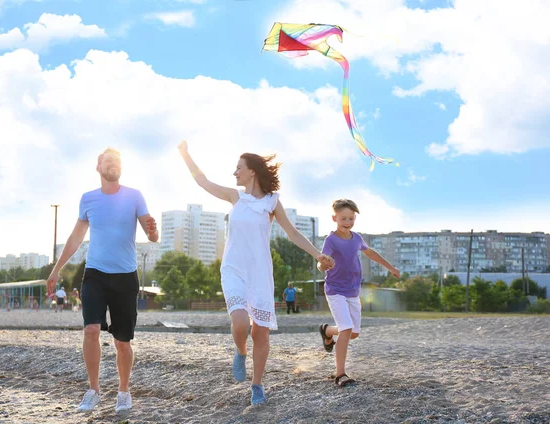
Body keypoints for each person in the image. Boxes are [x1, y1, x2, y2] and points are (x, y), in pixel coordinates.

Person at [178, 140, 334, 405]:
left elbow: (292, 233)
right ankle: (240, 352)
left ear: (252, 171)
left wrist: (317, 254)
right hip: (233, 268)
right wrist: (185, 154)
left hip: (260, 273)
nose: (235, 172)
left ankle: (257, 384)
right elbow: (202, 181)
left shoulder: (272, 202)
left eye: (238, 168)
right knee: (239, 322)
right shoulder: (234, 196)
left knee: (260, 332)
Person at [46, 147, 159, 413]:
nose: (113, 165)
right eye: (108, 161)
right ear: (99, 167)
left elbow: (151, 235)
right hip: (95, 274)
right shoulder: (88, 199)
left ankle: (123, 392)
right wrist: (56, 269)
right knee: (91, 330)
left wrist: (153, 231)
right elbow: (75, 238)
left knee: (122, 342)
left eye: (117, 161)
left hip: (125, 276)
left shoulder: (134, 196)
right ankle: (93, 390)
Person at [318, 199, 400, 387]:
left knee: (353, 332)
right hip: (335, 290)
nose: (347, 222)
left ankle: (327, 331)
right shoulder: (331, 240)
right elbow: (320, 261)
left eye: (351, 218)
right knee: (346, 329)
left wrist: (390, 267)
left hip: (353, 291)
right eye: (343, 218)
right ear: (334, 218)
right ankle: (340, 374)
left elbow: (370, 253)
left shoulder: (356, 238)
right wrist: (323, 264)